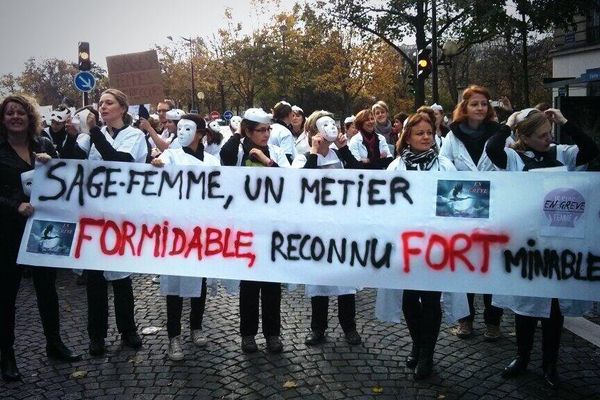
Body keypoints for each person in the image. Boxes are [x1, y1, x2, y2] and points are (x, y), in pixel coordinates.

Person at [485, 107, 599, 388]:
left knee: (554, 309)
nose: (548, 139)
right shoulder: (513, 157)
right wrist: (506, 125)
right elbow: (492, 149)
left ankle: (550, 363)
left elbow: (590, 148)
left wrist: (565, 121)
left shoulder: (563, 154)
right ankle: (522, 357)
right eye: (541, 136)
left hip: (558, 246)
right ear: (524, 136)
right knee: (526, 307)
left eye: (549, 134)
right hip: (526, 245)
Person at [0, 95, 81, 382]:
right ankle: (6, 355)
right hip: (9, 231)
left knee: (48, 289)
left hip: (45, 226)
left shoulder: (43, 144)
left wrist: (52, 161)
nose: (15, 117)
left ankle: (54, 343)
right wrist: (14, 205)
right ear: (3, 118)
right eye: (10, 113)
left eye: (21, 112)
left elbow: (64, 178)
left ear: (29, 117)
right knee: (7, 295)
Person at [379, 113, 457, 380]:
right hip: (407, 245)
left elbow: (457, 204)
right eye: (419, 133)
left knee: (432, 299)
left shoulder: (445, 165)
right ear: (408, 137)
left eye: (429, 133)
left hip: (436, 244)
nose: (426, 137)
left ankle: (427, 355)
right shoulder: (396, 167)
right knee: (410, 299)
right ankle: (417, 342)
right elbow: (386, 205)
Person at [440, 85, 509, 340]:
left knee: (492, 266)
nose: (480, 108)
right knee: (465, 264)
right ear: (465, 107)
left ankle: (493, 321)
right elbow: (443, 167)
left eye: (484, 103)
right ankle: (465, 320)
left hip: (495, 209)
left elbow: (510, 164)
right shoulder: (452, 136)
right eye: (475, 104)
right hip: (462, 209)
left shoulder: (499, 133)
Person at [220, 108, 290, 353]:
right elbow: (224, 156)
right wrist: (239, 136)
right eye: (261, 130)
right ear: (248, 131)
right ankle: (248, 334)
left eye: (268, 129)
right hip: (246, 228)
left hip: (272, 227)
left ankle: (273, 334)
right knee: (249, 286)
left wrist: (266, 160)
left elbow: (289, 181)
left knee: (272, 285)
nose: (267, 134)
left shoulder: (276, 151)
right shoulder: (237, 151)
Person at [291, 111, 363, 346]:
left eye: (334, 123)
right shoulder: (303, 157)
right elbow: (301, 184)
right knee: (318, 279)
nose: (332, 127)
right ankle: (318, 328)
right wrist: (313, 152)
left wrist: (344, 149)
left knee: (345, 279)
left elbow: (360, 176)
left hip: (343, 226)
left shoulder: (341, 155)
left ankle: (349, 326)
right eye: (326, 124)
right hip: (317, 229)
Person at [151, 114, 220, 360]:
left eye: (187, 128)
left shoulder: (212, 160)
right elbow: (159, 165)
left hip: (201, 230)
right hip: (176, 231)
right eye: (177, 127)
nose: (180, 132)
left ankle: (196, 326)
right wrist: (157, 163)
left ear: (201, 133)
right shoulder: (172, 156)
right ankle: (173, 336)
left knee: (198, 281)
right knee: (174, 283)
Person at [84, 89, 146, 356]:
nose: (102, 107)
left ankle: (127, 329)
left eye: (108, 103)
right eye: (100, 103)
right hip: (95, 216)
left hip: (121, 217)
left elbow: (118, 161)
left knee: (121, 279)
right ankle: (96, 335)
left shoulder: (134, 136)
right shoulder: (93, 137)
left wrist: (93, 133)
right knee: (95, 279)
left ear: (123, 108)